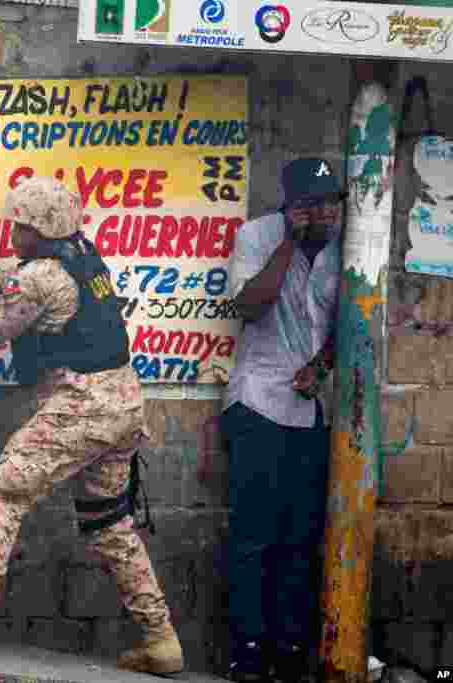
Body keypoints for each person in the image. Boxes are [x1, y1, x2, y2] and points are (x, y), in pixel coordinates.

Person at [0, 176, 184, 676]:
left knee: (3, 490)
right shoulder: (81, 255)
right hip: (123, 408)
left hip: (83, 406)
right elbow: (6, 286)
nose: (13, 233)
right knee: (109, 523)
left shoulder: (43, 276)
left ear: (43, 232)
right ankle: (161, 639)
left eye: (21, 227)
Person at [219, 157, 344, 682]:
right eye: (309, 206)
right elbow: (249, 306)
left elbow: (354, 319)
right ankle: (246, 655)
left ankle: (290, 655)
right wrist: (289, 242)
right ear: (288, 207)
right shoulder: (257, 236)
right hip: (258, 403)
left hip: (311, 412)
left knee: (300, 539)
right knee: (254, 537)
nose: (322, 215)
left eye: (329, 204)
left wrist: (323, 364)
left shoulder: (349, 246)